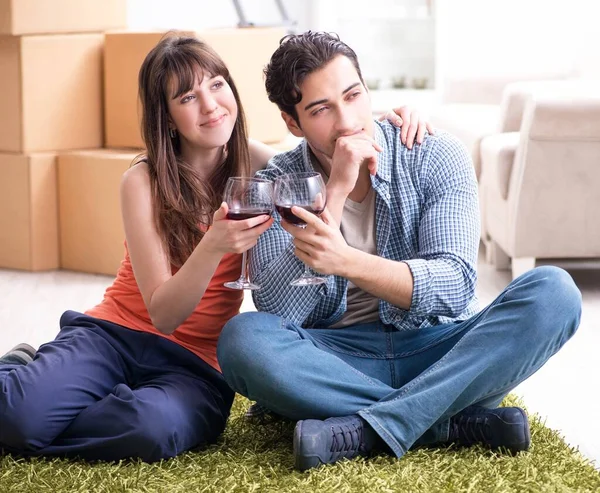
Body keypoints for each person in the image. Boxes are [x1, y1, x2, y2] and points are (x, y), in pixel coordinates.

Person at [0, 33, 429, 463]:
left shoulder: (262, 165)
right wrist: (211, 247)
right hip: (116, 336)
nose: (211, 105)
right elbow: (164, 315)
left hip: (198, 365)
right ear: (166, 117)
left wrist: (388, 119)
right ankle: (22, 378)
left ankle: (50, 401)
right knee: (19, 419)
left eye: (217, 85)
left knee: (152, 431)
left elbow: (320, 143)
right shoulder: (142, 181)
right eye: (188, 97)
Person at [216, 31, 583, 471]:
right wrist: (334, 192)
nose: (348, 120)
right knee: (243, 341)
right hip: (336, 358)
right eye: (321, 110)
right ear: (292, 123)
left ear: (368, 90)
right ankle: (451, 421)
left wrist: (348, 261)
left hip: (438, 348)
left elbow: (455, 286)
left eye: (353, 96)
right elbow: (280, 307)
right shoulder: (279, 182)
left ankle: (362, 427)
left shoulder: (433, 154)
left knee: (554, 293)